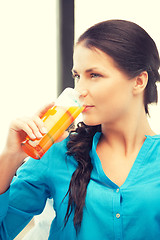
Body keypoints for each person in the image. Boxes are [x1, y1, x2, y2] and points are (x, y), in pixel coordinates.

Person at [0, 19, 160, 240]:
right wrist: (10, 157)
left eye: (94, 75)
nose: (79, 91)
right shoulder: (56, 153)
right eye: (77, 76)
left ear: (139, 81)